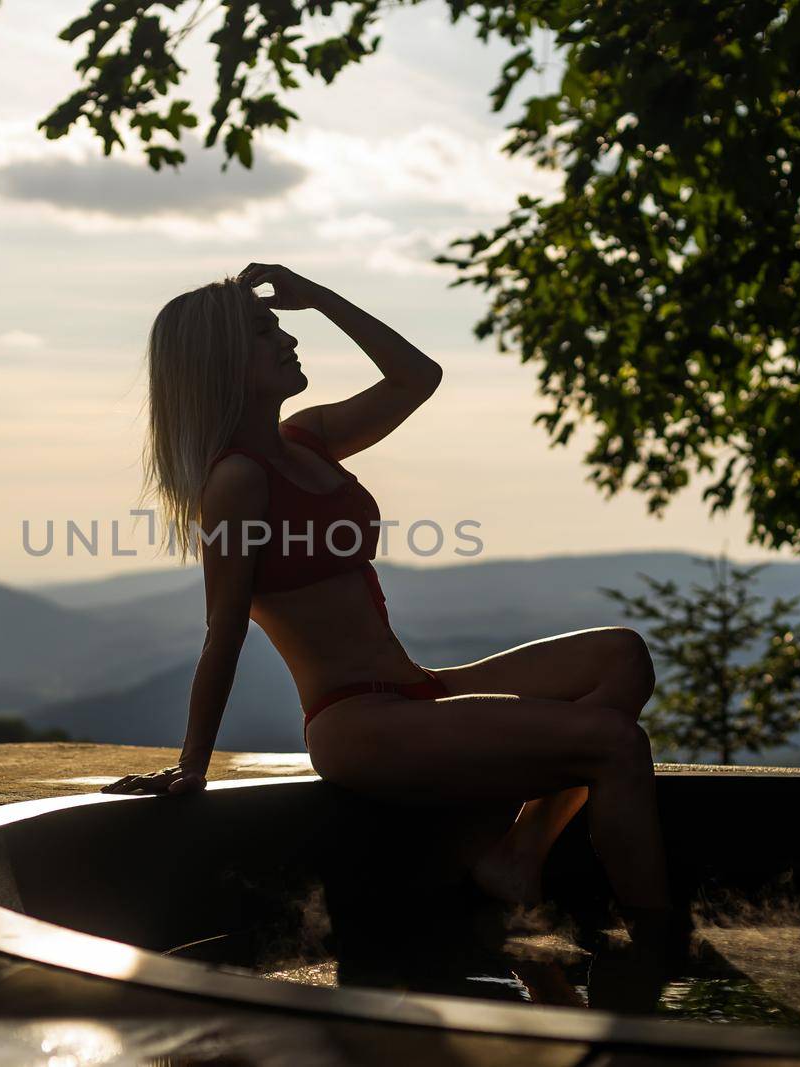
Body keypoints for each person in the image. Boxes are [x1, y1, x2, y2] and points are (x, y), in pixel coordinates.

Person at [103, 263, 673, 941]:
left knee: (621, 657)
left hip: (412, 690)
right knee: (616, 744)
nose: (288, 340)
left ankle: (519, 853)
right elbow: (222, 629)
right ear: (221, 362)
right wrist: (193, 762)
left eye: (282, 325)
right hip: (359, 723)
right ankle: (664, 950)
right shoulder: (236, 481)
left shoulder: (307, 439)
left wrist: (318, 295)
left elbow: (416, 377)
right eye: (265, 333)